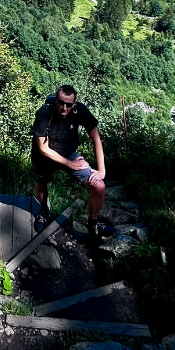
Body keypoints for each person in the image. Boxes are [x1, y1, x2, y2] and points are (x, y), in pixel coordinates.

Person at [31, 84, 112, 241]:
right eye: (61, 102)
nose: (64, 107)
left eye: (68, 104)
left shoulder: (79, 111)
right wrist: (70, 164)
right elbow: (43, 148)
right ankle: (43, 212)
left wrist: (101, 171)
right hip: (44, 156)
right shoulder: (44, 112)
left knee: (99, 186)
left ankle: (93, 225)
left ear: (74, 104)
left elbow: (96, 139)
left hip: (68, 152)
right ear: (56, 100)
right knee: (41, 184)